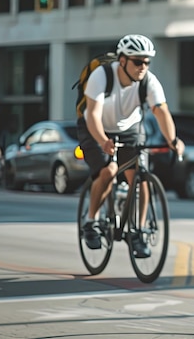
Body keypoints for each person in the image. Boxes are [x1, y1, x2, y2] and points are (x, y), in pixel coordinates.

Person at [78, 34, 185, 258]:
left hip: (130, 128)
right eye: (138, 61)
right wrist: (102, 141)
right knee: (108, 171)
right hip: (95, 127)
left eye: (147, 62)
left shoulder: (148, 81)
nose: (143, 67)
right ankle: (91, 221)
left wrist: (173, 140)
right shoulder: (102, 75)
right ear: (123, 60)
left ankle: (138, 231)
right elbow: (93, 114)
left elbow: (161, 111)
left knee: (141, 176)